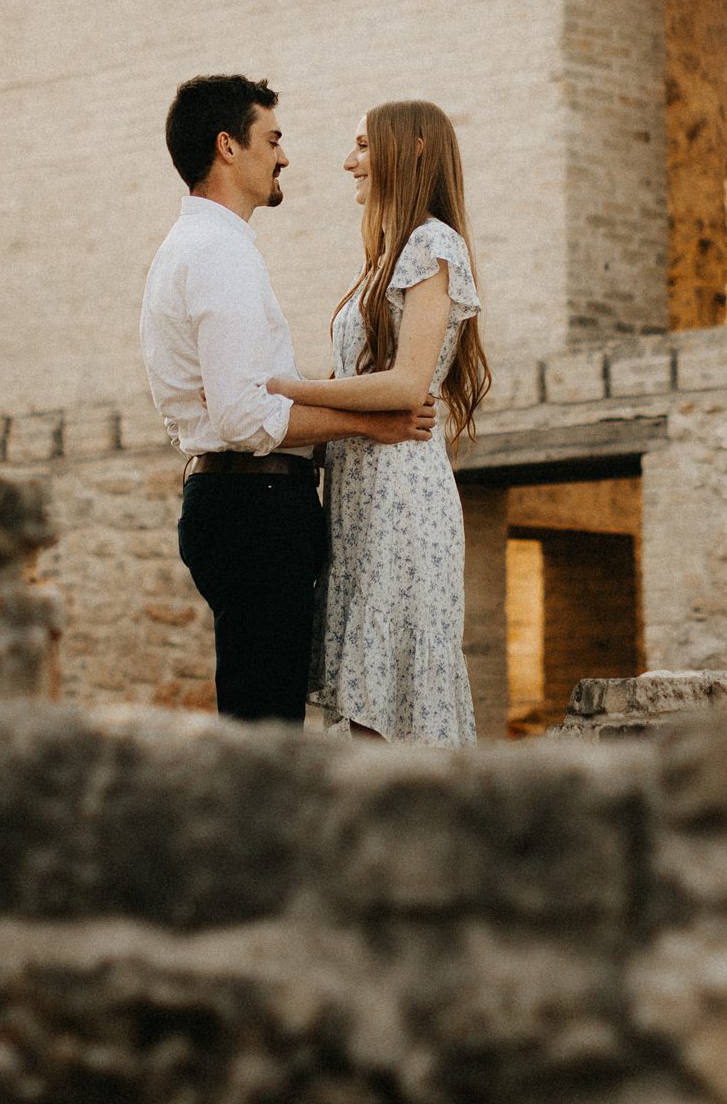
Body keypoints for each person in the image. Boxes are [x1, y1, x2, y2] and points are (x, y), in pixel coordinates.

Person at [141, 75, 437, 724]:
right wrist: (369, 423)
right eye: (272, 139)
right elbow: (245, 415)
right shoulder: (218, 253)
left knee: (258, 719)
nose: (283, 156)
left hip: (239, 501)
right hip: (256, 506)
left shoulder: (195, 248)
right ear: (228, 147)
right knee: (264, 733)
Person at [266, 101, 490, 745]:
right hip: (361, 492)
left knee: (393, 707)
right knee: (369, 707)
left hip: (402, 493)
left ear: (413, 150)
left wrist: (288, 390)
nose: (349, 161)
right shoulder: (389, 252)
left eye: (363, 145)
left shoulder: (431, 244)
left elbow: (405, 384)